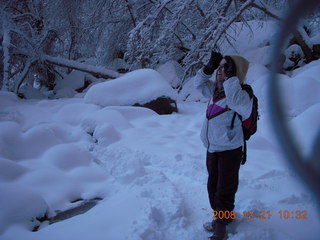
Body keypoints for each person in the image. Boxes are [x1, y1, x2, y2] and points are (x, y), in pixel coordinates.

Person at [194, 51, 252, 240]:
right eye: (220, 66)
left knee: (224, 189)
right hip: (212, 148)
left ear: (236, 73)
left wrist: (231, 78)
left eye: (226, 67)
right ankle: (222, 218)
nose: (221, 70)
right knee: (212, 187)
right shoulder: (215, 90)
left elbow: (236, 103)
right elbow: (198, 84)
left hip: (230, 150)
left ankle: (221, 230)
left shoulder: (243, 95)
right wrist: (207, 69)